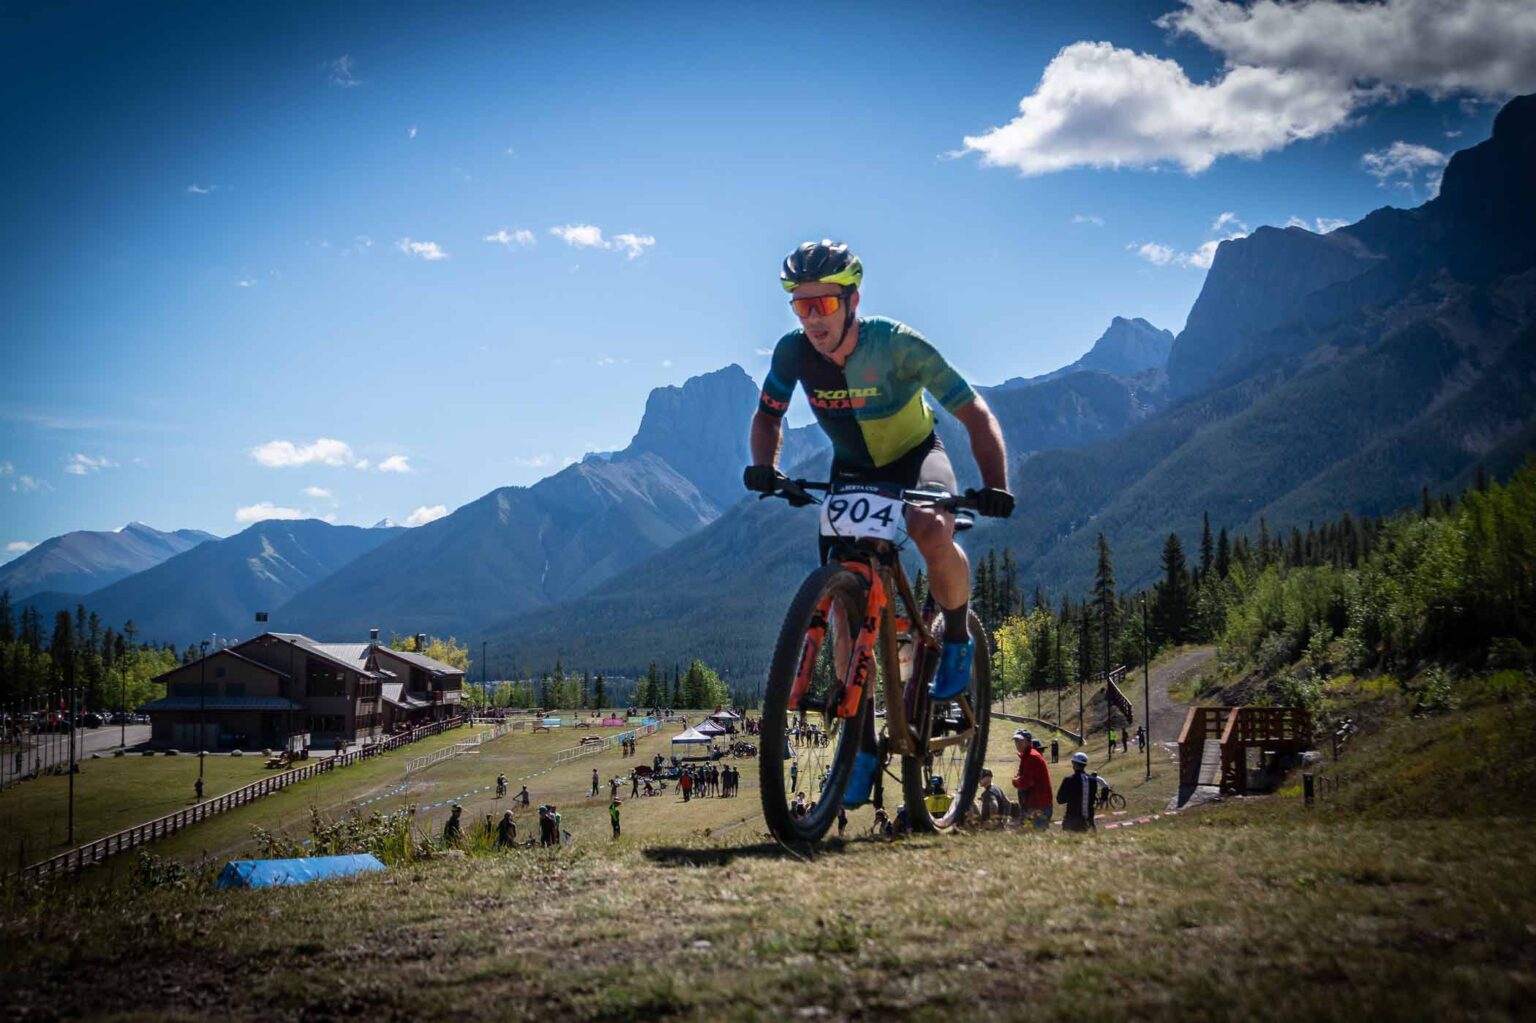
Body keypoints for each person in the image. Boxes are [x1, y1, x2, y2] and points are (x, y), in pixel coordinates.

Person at [744, 240, 1014, 806]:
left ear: (852, 299)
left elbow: (975, 414)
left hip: (916, 458)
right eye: (800, 306)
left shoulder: (896, 344)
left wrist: (994, 485)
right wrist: (765, 469)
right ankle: (861, 741)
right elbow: (768, 417)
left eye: (823, 304)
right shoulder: (793, 353)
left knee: (930, 527)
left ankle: (958, 635)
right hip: (852, 471)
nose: (811, 318)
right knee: (846, 608)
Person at [1057, 751, 1111, 833]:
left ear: (1074, 764)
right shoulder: (1093, 780)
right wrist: (1102, 800)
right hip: (1089, 819)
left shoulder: (1068, 780)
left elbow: (1060, 800)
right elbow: (1105, 786)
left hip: (1072, 820)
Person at [1012, 729, 1054, 830]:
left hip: (1038, 807)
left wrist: (1014, 780)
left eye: (1021, 741)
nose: (1018, 744)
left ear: (1028, 742)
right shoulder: (1027, 756)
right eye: (1016, 741)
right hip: (1036, 805)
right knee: (1029, 838)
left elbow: (1025, 782)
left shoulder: (1032, 757)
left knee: (1033, 838)